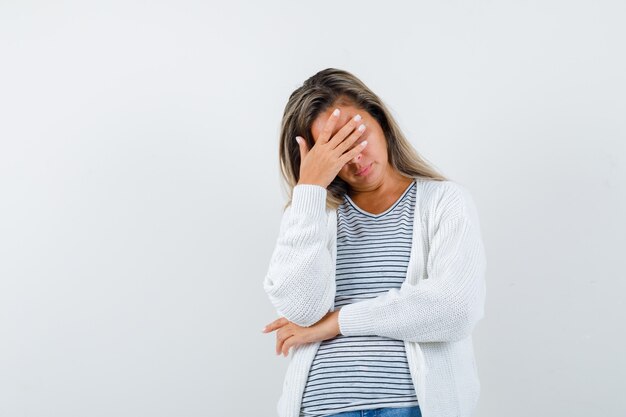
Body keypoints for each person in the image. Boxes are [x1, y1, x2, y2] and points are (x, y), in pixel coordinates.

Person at [261, 68, 487, 417]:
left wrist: (336, 323)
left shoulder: (444, 201)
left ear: (379, 118)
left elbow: (455, 309)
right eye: (333, 149)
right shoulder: (310, 215)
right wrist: (308, 190)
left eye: (355, 134)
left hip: (410, 407)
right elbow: (301, 312)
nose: (354, 157)